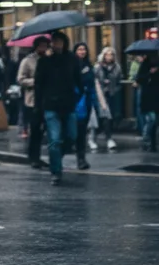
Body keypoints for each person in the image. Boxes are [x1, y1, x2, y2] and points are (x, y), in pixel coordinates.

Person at [35, 31, 81, 185]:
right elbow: (38, 85)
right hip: (51, 105)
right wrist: (38, 106)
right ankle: (56, 171)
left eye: (60, 42)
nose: (57, 45)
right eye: (54, 42)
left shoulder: (72, 60)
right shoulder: (45, 61)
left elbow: (79, 80)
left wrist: (77, 96)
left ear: (65, 43)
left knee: (71, 136)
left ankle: (56, 158)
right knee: (54, 140)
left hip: (68, 105)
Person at [17, 36, 50, 169]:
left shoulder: (49, 60)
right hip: (33, 100)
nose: (43, 48)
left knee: (45, 130)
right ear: (36, 47)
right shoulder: (28, 61)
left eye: (45, 45)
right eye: (41, 45)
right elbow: (20, 79)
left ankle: (40, 157)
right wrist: (34, 82)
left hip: (48, 99)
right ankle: (34, 157)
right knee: (35, 129)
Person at [94, 47, 123, 151]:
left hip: (112, 94)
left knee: (112, 116)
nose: (109, 56)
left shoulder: (117, 67)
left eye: (111, 54)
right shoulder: (98, 67)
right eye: (107, 54)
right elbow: (94, 80)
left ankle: (103, 134)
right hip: (101, 95)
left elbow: (119, 81)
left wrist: (114, 89)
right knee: (106, 115)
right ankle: (108, 138)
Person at [73, 42, 96, 170]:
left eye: (84, 49)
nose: (82, 52)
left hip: (86, 101)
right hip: (76, 101)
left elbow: (92, 83)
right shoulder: (73, 65)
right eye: (79, 49)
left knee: (82, 130)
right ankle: (78, 156)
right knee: (76, 130)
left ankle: (81, 157)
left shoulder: (88, 65)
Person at [136, 55, 159, 152]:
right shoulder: (145, 64)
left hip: (156, 95)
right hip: (148, 96)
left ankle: (152, 143)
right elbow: (139, 79)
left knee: (155, 120)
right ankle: (147, 138)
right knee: (152, 119)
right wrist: (150, 73)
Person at [129, 54, 145, 135]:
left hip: (146, 88)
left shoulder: (147, 64)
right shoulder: (135, 64)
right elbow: (132, 77)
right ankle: (141, 129)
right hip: (139, 88)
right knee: (139, 108)